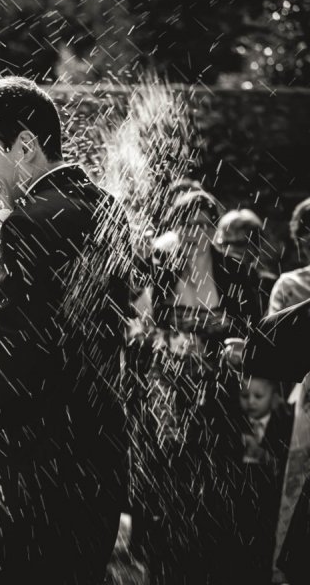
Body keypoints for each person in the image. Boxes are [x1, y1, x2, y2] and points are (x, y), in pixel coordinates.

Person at [0, 77, 132, 584]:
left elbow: (18, 349)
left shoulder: (29, 221)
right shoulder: (107, 208)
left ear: (26, 146)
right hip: (96, 458)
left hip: (32, 470)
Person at [131, 190, 261, 584]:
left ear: (213, 228)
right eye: (186, 223)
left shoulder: (238, 274)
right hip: (168, 400)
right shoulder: (158, 273)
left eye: (203, 223)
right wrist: (177, 344)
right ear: (175, 227)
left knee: (220, 495)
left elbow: (255, 336)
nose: (195, 232)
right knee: (171, 494)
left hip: (221, 400)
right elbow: (136, 332)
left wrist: (235, 352)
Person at [231, 375, 293, 585]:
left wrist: (264, 456)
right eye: (244, 395)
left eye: (258, 396)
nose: (251, 401)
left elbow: (288, 466)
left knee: (264, 557)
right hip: (239, 505)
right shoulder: (233, 423)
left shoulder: (285, 425)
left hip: (270, 507)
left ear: (274, 396)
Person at [216, 208, 278, 313]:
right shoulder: (210, 281)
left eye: (239, 244)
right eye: (225, 243)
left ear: (256, 247)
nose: (230, 250)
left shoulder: (269, 286)